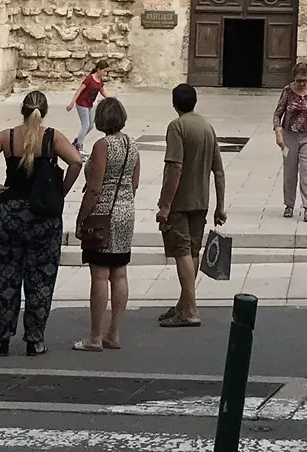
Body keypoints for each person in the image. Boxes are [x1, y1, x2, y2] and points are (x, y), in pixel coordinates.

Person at [0, 89, 84, 356]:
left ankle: (2, 339)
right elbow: (76, 161)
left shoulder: (7, 138)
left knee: (6, 279)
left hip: (9, 213)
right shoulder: (52, 138)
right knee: (41, 279)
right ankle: (35, 340)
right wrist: (61, 191)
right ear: (43, 112)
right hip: (43, 215)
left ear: (22, 110)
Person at [154, 82, 227, 327]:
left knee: (182, 252)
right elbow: (218, 170)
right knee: (193, 252)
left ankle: (190, 310)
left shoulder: (177, 127)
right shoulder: (207, 127)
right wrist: (220, 205)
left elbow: (175, 166)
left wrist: (165, 204)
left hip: (181, 201)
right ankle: (184, 303)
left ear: (174, 104)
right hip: (201, 201)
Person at [71, 96, 139, 352]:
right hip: (126, 212)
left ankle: (95, 336)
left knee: (99, 274)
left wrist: (81, 218)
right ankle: (115, 333)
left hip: (102, 215)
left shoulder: (102, 146)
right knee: (119, 272)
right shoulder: (132, 144)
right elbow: (134, 183)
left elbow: (95, 189)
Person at [273, 60, 307, 221]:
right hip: (289, 135)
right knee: (289, 172)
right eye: (299, 81)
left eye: (304, 80)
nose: (302, 84)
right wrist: (278, 132)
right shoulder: (287, 91)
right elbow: (277, 113)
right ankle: (289, 205)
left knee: (306, 172)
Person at [73, 59, 110, 152]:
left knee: (91, 126)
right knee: (85, 125)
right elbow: (80, 90)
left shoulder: (100, 81)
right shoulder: (89, 79)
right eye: (104, 71)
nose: (105, 73)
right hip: (82, 104)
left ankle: (77, 141)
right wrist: (72, 102)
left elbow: (102, 91)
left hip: (90, 105)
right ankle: (79, 146)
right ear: (98, 69)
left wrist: (110, 99)